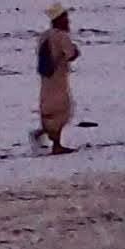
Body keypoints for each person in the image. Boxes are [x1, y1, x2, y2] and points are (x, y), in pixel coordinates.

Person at [34, 8, 77, 152]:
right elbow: (70, 54)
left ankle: (44, 133)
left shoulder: (44, 36)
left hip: (46, 78)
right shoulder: (61, 36)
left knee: (49, 108)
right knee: (61, 109)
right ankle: (56, 145)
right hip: (58, 78)